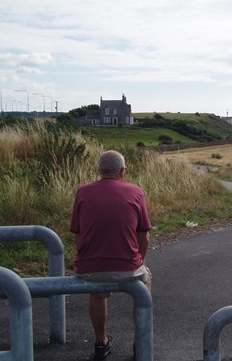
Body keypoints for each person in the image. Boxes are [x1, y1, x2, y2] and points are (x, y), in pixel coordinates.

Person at [70, 150, 152, 360]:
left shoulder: (82, 192)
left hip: (89, 269)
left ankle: (101, 342)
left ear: (99, 170)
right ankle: (139, 343)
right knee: (145, 281)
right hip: (127, 268)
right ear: (122, 171)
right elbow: (144, 238)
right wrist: (139, 261)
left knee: (97, 293)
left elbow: (78, 235)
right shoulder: (136, 192)